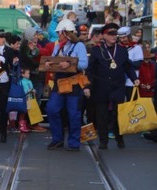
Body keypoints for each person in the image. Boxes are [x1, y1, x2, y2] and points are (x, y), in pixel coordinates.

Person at [86, 23, 140, 150]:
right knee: (102, 115)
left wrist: (134, 78)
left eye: (115, 34)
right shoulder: (96, 50)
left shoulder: (121, 50)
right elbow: (90, 70)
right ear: (104, 35)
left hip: (117, 86)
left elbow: (127, 66)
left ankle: (119, 137)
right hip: (101, 87)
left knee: (118, 114)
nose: (114, 36)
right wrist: (87, 86)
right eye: (111, 34)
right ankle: (103, 141)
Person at [43, 19, 89, 151]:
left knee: (73, 114)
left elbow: (84, 64)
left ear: (65, 32)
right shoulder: (59, 46)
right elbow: (52, 59)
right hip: (60, 82)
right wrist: (48, 64)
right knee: (52, 109)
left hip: (74, 83)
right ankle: (57, 138)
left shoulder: (79, 46)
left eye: (59, 33)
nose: (58, 35)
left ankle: (74, 142)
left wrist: (69, 64)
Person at [117, 26, 143, 101]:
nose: (122, 40)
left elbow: (137, 65)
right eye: (121, 38)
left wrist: (125, 59)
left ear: (129, 36)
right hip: (120, 80)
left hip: (131, 81)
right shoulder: (117, 48)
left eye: (124, 37)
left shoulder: (136, 47)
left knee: (131, 102)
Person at [18, 68, 47, 133]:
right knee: (23, 112)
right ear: (23, 74)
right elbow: (23, 91)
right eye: (27, 73)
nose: (29, 75)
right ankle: (22, 125)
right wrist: (30, 90)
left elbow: (31, 88)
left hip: (31, 98)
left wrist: (33, 90)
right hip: (25, 98)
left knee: (32, 110)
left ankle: (30, 124)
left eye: (29, 73)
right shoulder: (21, 82)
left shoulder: (29, 81)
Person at [6, 34, 22, 133]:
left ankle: (13, 124)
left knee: (14, 103)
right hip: (12, 80)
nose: (19, 45)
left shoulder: (17, 53)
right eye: (17, 44)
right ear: (11, 44)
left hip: (15, 79)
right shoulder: (10, 53)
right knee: (13, 103)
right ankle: (11, 124)